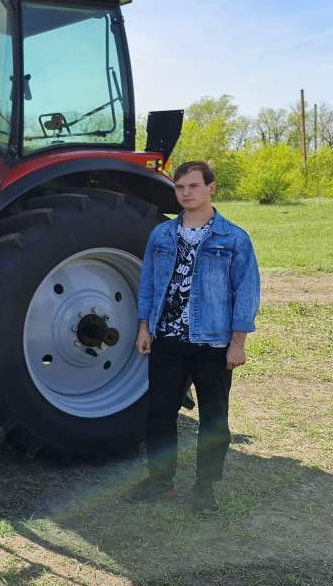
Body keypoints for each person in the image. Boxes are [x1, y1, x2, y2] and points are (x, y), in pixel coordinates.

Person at [129, 161, 260, 514]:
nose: (186, 193)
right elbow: (149, 285)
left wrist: (238, 343)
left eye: (193, 186)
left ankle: (205, 487)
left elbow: (246, 293)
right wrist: (144, 327)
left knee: (214, 418)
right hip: (168, 339)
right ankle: (160, 481)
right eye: (180, 187)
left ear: (211, 188)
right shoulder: (162, 236)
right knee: (159, 414)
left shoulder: (233, 238)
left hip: (213, 343)